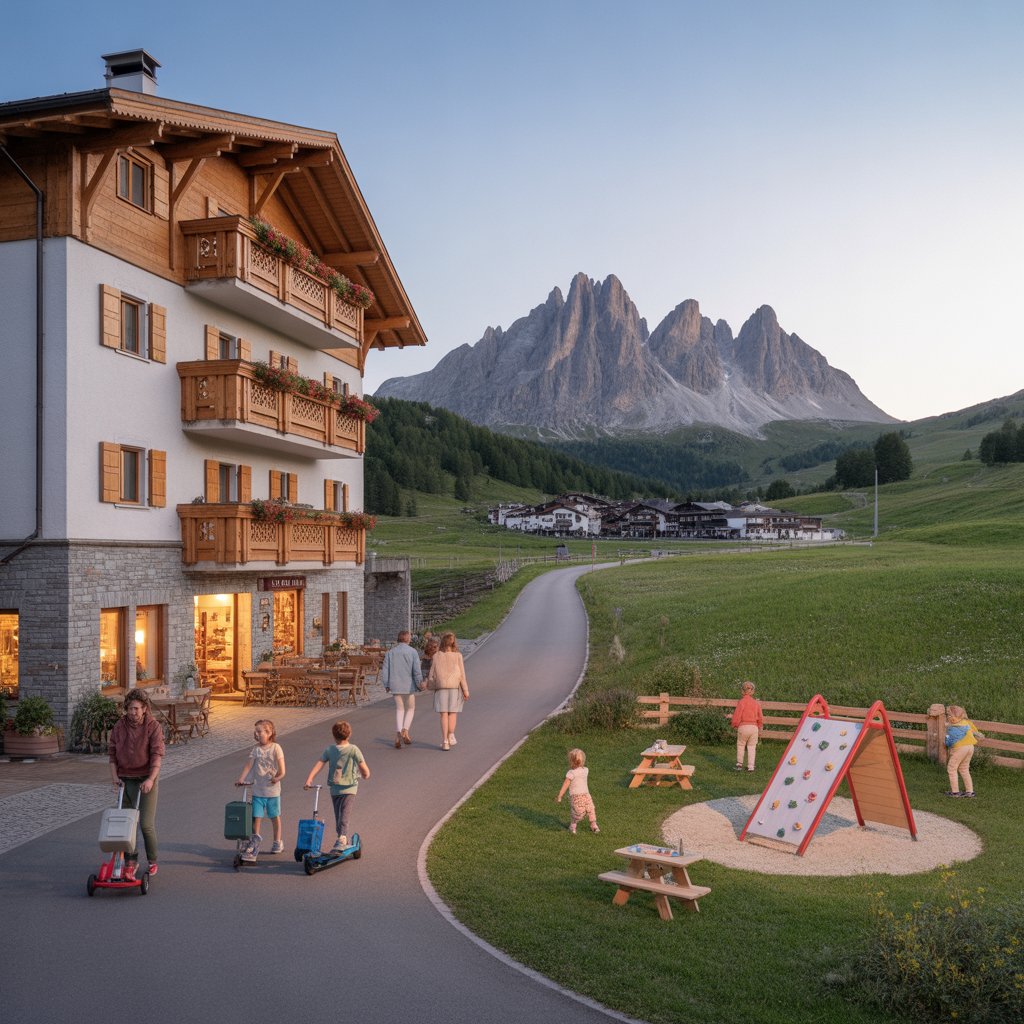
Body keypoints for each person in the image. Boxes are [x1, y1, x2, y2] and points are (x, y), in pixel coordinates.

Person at [107, 688, 165, 878]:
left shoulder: (153, 726)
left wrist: (150, 779)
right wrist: (115, 777)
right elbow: (112, 753)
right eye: (130, 709)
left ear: (145, 709)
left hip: (146, 779)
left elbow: (157, 755)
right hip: (126, 780)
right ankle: (130, 861)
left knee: (145, 824)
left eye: (137, 709)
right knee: (127, 824)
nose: (133, 713)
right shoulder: (119, 726)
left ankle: (153, 860)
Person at [304, 720, 370, 852]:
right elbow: (364, 768)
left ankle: (342, 837)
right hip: (350, 787)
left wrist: (310, 779)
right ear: (349, 734)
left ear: (334, 736)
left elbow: (319, 763)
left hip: (335, 788)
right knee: (343, 814)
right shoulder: (353, 750)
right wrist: (365, 774)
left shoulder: (330, 750)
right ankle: (341, 836)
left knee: (340, 814)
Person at [236, 719, 286, 855]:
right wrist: (241, 778)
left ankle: (277, 842)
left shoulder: (276, 748)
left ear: (269, 732)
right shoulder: (256, 749)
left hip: (272, 791)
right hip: (258, 790)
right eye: (256, 732)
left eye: (260, 732)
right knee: (256, 816)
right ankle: (255, 840)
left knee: (274, 816)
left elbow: (283, 770)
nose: (257, 734)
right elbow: (249, 765)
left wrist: (277, 778)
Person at [425, 631, 469, 750]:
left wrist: (432, 685)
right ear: (454, 642)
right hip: (454, 688)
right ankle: (451, 735)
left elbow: (431, 675)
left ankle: (445, 741)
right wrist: (466, 690)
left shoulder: (436, 656)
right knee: (452, 713)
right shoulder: (458, 656)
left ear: (442, 642)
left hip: (440, 689)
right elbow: (462, 675)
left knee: (443, 715)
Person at [380, 629, 423, 748]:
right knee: (410, 708)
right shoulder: (413, 652)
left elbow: (385, 670)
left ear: (398, 639)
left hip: (395, 684)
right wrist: (420, 683)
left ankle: (399, 732)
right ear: (408, 639)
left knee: (399, 709)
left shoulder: (390, 652)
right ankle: (405, 730)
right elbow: (416, 671)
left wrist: (386, 684)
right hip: (409, 685)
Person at [556, 748, 599, 834]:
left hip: (586, 794)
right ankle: (573, 825)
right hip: (576, 797)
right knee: (578, 813)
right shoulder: (571, 773)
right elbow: (565, 784)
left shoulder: (585, 770)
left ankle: (593, 824)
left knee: (591, 809)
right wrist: (560, 795)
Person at [944, 704, 984, 798]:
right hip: (970, 747)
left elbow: (949, 742)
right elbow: (975, 731)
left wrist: (946, 737)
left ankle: (955, 792)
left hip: (960, 748)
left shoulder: (952, 728)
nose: (948, 717)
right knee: (964, 769)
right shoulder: (966, 722)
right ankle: (970, 792)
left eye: (949, 715)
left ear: (954, 717)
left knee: (951, 768)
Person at [731, 680, 763, 771]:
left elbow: (737, 714)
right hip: (754, 728)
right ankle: (751, 766)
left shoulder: (741, 702)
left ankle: (739, 764)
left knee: (741, 745)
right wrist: (760, 727)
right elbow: (760, 717)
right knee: (752, 747)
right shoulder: (756, 703)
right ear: (753, 691)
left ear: (742, 691)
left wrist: (734, 724)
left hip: (743, 727)